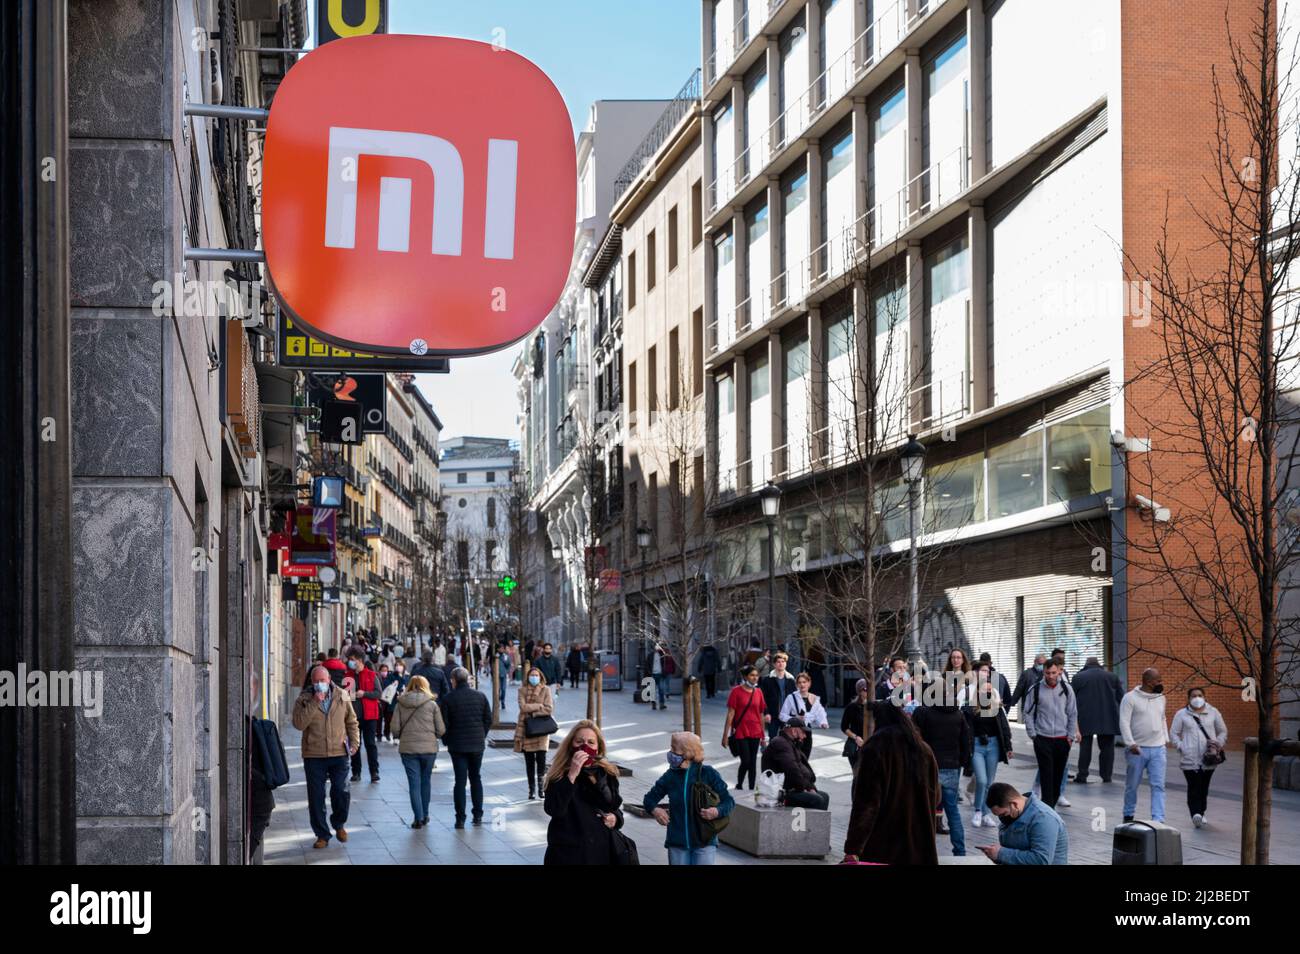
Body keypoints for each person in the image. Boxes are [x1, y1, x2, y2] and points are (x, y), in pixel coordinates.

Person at [842, 701, 940, 865]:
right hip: (919, 843)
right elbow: (936, 796)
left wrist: (853, 848)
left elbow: (866, 804)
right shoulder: (923, 749)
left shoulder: (875, 748)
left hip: (884, 844)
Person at [292, 664, 360, 849]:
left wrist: (354, 743)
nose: (319, 684)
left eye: (322, 681)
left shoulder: (342, 695)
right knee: (316, 797)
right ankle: (322, 834)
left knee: (341, 791)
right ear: (312, 682)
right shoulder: (304, 699)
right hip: (314, 755)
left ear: (329, 680)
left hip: (339, 753)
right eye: (316, 682)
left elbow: (351, 721)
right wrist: (315, 701)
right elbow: (298, 723)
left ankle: (339, 823)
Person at [643, 731, 735, 865]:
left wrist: (717, 811)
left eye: (674, 749)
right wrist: (655, 810)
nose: (670, 752)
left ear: (688, 753)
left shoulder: (708, 773)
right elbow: (649, 799)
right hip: (677, 843)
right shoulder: (670, 776)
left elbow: (729, 801)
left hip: (705, 841)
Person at [543, 720, 628, 865]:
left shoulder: (606, 773)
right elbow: (554, 809)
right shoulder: (558, 774)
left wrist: (615, 818)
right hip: (568, 853)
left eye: (591, 742)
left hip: (600, 850)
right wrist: (572, 774)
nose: (585, 746)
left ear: (598, 747)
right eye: (579, 741)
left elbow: (613, 805)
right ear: (571, 745)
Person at [913, 684, 972, 856]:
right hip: (952, 767)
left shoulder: (925, 714)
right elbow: (965, 742)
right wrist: (961, 763)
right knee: (952, 810)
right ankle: (960, 851)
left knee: (925, 809)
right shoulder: (958, 714)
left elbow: (917, 740)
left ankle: (923, 851)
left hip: (931, 767)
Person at [959, 662, 1012, 829]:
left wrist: (1008, 746)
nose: (987, 691)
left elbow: (1003, 724)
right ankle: (977, 811)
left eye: (989, 689)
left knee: (989, 781)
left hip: (994, 744)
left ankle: (986, 813)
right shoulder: (968, 701)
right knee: (980, 780)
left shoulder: (994, 699)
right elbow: (961, 724)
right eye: (984, 689)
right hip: (976, 745)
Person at [438, 666, 493, 828]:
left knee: (460, 781)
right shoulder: (480, 696)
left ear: (454, 680)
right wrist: (481, 735)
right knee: (476, 778)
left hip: (457, 746)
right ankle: (478, 816)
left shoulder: (448, 699)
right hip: (476, 745)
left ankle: (460, 818)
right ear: (468, 679)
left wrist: (447, 740)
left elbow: (444, 724)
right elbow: (488, 719)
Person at [390, 674, 445, 829]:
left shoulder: (400, 703)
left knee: (414, 783)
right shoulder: (432, 705)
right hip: (429, 750)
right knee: (425, 781)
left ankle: (418, 817)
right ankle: (426, 814)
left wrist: (401, 735)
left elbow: (394, 728)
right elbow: (441, 729)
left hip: (408, 749)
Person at [1021, 658, 1077, 808]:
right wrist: (1033, 735)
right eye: (1048, 673)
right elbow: (1027, 713)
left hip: (1062, 739)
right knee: (1046, 775)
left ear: (1059, 671)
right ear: (1043, 672)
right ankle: (1048, 809)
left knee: (1058, 777)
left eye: (1054, 672)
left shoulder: (1067, 689)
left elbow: (1072, 714)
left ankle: (1051, 806)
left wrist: (1070, 737)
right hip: (1042, 739)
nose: (1051, 676)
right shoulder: (1036, 689)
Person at [1169, 687, 1228, 828]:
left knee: (1204, 787)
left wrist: (1217, 744)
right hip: (1189, 758)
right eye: (1194, 695)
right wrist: (1181, 746)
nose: (1197, 698)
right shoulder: (1181, 714)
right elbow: (1174, 733)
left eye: (1200, 695)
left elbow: (1223, 731)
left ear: (1204, 697)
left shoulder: (1213, 712)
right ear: (1188, 698)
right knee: (1194, 786)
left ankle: (1201, 812)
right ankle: (1195, 813)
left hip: (1209, 757)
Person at [1119, 667, 1169, 823]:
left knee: (1158, 785)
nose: (1161, 683)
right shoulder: (1130, 698)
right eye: (1158, 680)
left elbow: (1163, 718)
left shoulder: (1161, 697)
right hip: (1137, 750)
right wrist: (1130, 743)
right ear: (1148, 682)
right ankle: (1128, 814)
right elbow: (1124, 721)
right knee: (1132, 785)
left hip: (1158, 748)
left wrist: (1165, 739)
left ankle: (1158, 818)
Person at [979, 783, 1069, 865]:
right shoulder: (1015, 814)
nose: (1002, 818)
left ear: (1014, 804)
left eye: (1003, 814)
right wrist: (994, 853)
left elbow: (1041, 860)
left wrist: (1001, 854)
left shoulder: (1043, 818)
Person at [1071, 656, 1123, 784]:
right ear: (1099, 664)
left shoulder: (1078, 677)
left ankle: (1082, 775)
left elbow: (1071, 700)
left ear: (1086, 664)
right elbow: (1121, 698)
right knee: (1107, 749)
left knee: (1085, 748)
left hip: (1085, 718)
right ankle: (1106, 776)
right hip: (1108, 718)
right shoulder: (1112, 677)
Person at [761, 717, 831, 810]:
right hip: (780, 792)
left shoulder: (790, 743)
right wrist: (804, 789)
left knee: (824, 796)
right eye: (803, 732)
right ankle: (811, 824)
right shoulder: (780, 743)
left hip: (791, 788)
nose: (805, 736)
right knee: (817, 800)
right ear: (794, 731)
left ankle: (815, 824)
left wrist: (810, 787)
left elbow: (803, 766)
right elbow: (792, 770)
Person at [722, 666, 768, 790]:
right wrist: (725, 735)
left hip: (756, 731)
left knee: (753, 762)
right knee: (746, 761)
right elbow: (730, 714)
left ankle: (752, 789)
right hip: (741, 731)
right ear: (745, 676)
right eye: (752, 675)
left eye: (756, 675)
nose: (755, 678)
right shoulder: (736, 691)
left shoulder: (758, 692)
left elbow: (761, 714)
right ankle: (740, 784)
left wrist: (763, 736)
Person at [513, 666, 555, 799]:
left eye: (537, 675)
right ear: (528, 677)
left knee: (541, 762)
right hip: (527, 730)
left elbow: (549, 709)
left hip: (542, 730)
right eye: (532, 675)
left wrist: (534, 711)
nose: (534, 678)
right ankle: (531, 790)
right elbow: (523, 707)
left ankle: (541, 789)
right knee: (529, 763)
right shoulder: (522, 690)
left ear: (540, 677)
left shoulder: (546, 690)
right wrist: (539, 706)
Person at [345, 649, 384, 783]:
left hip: (370, 716)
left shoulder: (372, 675)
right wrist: (351, 695)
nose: (350, 662)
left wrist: (365, 693)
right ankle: (356, 772)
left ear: (360, 660)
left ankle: (374, 771)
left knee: (370, 744)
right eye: (349, 659)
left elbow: (378, 693)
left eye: (352, 659)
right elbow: (345, 696)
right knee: (355, 744)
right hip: (353, 717)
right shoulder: (348, 675)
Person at [779, 671, 829, 756]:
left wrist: (823, 723)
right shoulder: (791, 697)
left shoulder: (815, 698)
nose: (802, 685)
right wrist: (795, 719)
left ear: (809, 683)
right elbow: (782, 715)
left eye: (804, 682)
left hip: (807, 730)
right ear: (797, 685)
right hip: (794, 730)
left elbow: (820, 714)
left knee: (806, 757)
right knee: (795, 757)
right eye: (799, 682)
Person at [758, 651, 798, 738]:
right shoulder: (767, 680)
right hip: (773, 715)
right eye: (778, 662)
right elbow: (763, 698)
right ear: (774, 664)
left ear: (786, 664)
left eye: (783, 662)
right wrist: (766, 713)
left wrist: (795, 714)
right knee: (773, 739)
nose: (781, 664)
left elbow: (795, 698)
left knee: (787, 739)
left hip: (787, 715)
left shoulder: (791, 680)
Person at [840, 678, 872, 769]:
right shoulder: (852, 707)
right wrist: (856, 737)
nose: (867, 692)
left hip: (872, 744)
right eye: (865, 689)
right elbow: (844, 727)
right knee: (857, 774)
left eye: (869, 689)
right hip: (856, 745)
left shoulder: (875, 707)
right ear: (859, 691)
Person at [379, 661, 408, 743]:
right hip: (393, 701)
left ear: (403, 666)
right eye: (396, 665)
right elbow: (386, 685)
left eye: (400, 665)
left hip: (404, 701)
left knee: (401, 720)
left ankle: (397, 736)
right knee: (389, 719)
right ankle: (387, 734)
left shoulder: (407, 676)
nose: (398, 667)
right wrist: (395, 685)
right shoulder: (392, 676)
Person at [650, 642, 670, 711]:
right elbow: (647, 664)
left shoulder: (662, 655)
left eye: (658, 646)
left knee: (661, 690)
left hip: (660, 674)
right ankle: (653, 704)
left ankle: (661, 704)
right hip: (653, 674)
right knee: (653, 690)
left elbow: (667, 663)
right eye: (656, 646)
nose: (657, 648)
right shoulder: (650, 655)